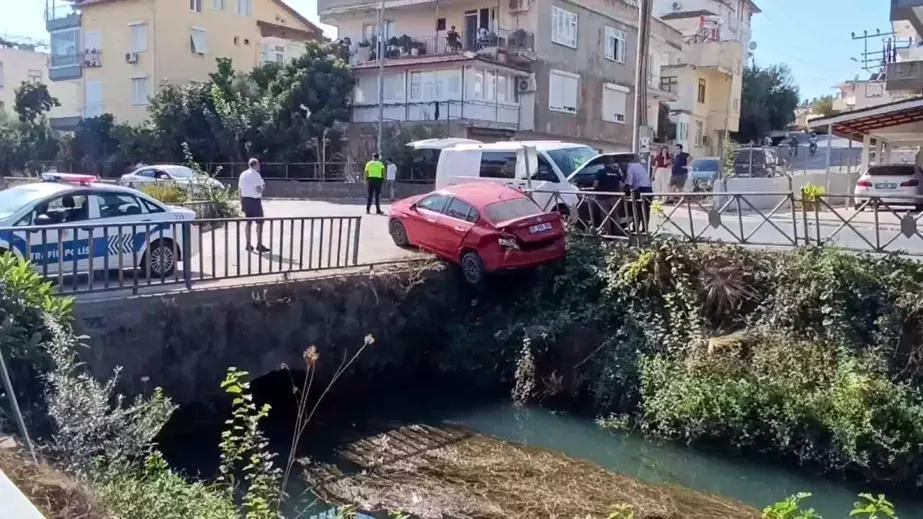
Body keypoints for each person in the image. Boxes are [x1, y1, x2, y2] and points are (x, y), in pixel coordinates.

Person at [238, 158, 269, 253]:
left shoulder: (243, 174)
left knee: (248, 222)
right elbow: (259, 190)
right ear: (256, 165)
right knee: (260, 222)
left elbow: (239, 189)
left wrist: (241, 201)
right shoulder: (256, 175)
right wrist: (263, 186)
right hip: (254, 200)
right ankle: (259, 244)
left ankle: (248, 243)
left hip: (245, 200)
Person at [624, 156, 653, 232]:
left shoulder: (630, 167)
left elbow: (629, 182)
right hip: (649, 189)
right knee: (646, 211)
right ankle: (644, 229)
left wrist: (624, 190)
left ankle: (635, 228)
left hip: (640, 189)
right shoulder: (640, 166)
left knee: (637, 210)